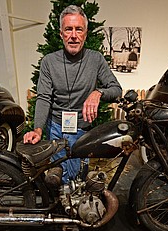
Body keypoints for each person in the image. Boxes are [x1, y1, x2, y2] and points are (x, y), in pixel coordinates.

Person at [23, 5, 122, 184]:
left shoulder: (96, 59)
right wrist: (37, 128)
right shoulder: (49, 62)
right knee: (58, 177)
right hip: (56, 129)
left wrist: (98, 92)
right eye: (68, 29)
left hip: (83, 131)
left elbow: (116, 89)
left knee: (80, 178)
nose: (74, 35)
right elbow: (44, 97)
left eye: (79, 29)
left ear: (85, 33)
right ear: (61, 33)